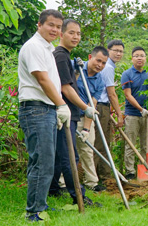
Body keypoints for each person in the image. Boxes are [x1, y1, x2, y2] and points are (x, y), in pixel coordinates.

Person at [18, 9, 71, 222]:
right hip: (36, 109)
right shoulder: (33, 47)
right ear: (39, 25)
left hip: (46, 109)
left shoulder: (47, 49)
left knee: (43, 161)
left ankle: (39, 205)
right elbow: (42, 79)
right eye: (51, 25)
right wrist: (61, 104)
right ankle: (34, 212)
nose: (55, 30)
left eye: (58, 27)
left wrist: (55, 108)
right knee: (43, 162)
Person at [48, 19, 100, 207]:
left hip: (67, 112)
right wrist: (86, 107)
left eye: (78, 33)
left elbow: (69, 81)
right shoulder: (60, 56)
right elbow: (66, 88)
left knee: (58, 154)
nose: (76, 36)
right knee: (70, 156)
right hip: (66, 112)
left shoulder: (64, 57)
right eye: (71, 32)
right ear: (61, 33)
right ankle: (78, 196)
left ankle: (53, 189)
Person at [75, 46, 109, 192]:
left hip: (85, 116)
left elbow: (92, 103)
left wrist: (86, 129)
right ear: (90, 57)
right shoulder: (75, 67)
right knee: (66, 150)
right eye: (98, 60)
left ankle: (91, 183)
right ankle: (62, 183)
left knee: (88, 150)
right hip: (69, 115)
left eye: (103, 63)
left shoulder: (100, 80)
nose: (100, 65)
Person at [94, 40, 125, 184]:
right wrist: (119, 114)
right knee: (100, 144)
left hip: (104, 107)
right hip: (100, 106)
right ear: (108, 50)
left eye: (121, 51)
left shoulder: (109, 67)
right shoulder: (107, 67)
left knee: (105, 142)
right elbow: (111, 93)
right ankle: (93, 178)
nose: (118, 53)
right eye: (115, 50)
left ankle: (105, 176)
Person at [121, 46, 148, 180]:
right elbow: (128, 95)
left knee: (146, 144)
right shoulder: (127, 74)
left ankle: (144, 170)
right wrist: (140, 109)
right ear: (132, 58)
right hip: (133, 114)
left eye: (142, 55)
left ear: (145, 58)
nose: (139, 58)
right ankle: (130, 172)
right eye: (137, 55)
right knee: (131, 144)